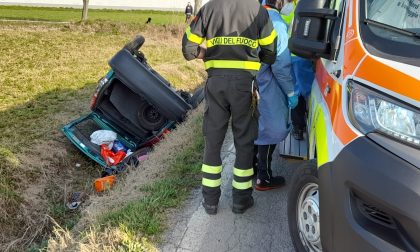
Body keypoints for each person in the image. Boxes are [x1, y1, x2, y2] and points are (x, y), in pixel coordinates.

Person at [182, 0, 277, 215]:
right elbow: (271, 53)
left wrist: (208, 54)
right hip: (245, 85)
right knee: (244, 141)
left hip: (215, 84)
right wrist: (252, 58)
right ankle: (241, 200)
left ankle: (210, 201)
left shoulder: (208, 8)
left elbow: (188, 50)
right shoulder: (258, 11)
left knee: (213, 140)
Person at [254, 0, 298, 191]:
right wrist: (290, 92)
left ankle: (252, 168)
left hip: (249, 82)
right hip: (268, 84)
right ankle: (264, 177)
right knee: (271, 130)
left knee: (254, 128)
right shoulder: (277, 24)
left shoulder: (253, 16)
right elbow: (280, 66)